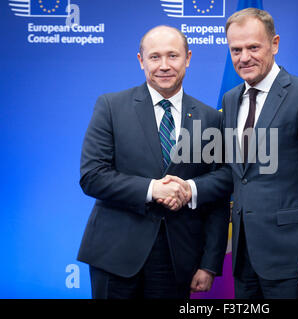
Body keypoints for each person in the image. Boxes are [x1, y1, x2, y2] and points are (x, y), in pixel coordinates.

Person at [165, 8, 298, 299]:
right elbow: (237, 174)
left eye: (253, 47)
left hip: (295, 259)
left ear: (274, 44)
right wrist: (189, 187)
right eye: (236, 50)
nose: (244, 57)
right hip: (244, 258)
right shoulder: (232, 99)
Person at [77, 25, 230, 299]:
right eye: (155, 57)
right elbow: (93, 176)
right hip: (114, 256)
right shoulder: (111, 107)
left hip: (177, 260)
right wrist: (153, 189)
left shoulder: (211, 118)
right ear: (141, 60)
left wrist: (209, 263)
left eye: (172, 56)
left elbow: (219, 191)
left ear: (188, 58)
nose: (164, 65)